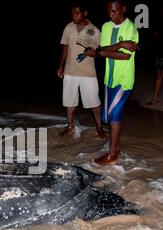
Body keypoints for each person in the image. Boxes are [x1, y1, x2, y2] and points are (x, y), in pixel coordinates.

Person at [84, 0, 138, 165]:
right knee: (111, 116)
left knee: (114, 116)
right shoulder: (106, 26)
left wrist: (101, 52)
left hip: (124, 79)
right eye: (109, 11)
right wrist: (119, 45)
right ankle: (116, 148)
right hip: (109, 78)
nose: (111, 15)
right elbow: (105, 46)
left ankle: (112, 153)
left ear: (123, 9)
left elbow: (125, 55)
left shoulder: (131, 28)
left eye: (114, 11)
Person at [57, 1, 105, 139]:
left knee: (94, 103)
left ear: (84, 13)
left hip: (87, 73)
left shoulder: (93, 30)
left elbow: (97, 50)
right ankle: (70, 126)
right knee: (69, 103)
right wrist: (61, 65)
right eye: (72, 13)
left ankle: (99, 127)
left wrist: (89, 53)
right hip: (70, 71)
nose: (74, 16)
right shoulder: (69, 27)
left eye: (77, 13)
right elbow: (65, 46)